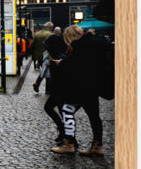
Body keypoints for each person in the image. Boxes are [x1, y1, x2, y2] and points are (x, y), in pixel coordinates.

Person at [51, 25, 112, 155]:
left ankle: (69, 144)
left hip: (80, 87)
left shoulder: (79, 46)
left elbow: (75, 66)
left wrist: (61, 63)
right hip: (94, 86)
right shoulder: (95, 43)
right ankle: (97, 146)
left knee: (67, 110)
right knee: (94, 116)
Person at [31, 21, 53, 93]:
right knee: (48, 72)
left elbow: (32, 45)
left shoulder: (37, 34)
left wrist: (34, 56)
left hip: (39, 57)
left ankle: (38, 84)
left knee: (45, 70)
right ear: (50, 27)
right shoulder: (50, 34)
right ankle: (47, 89)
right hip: (47, 56)